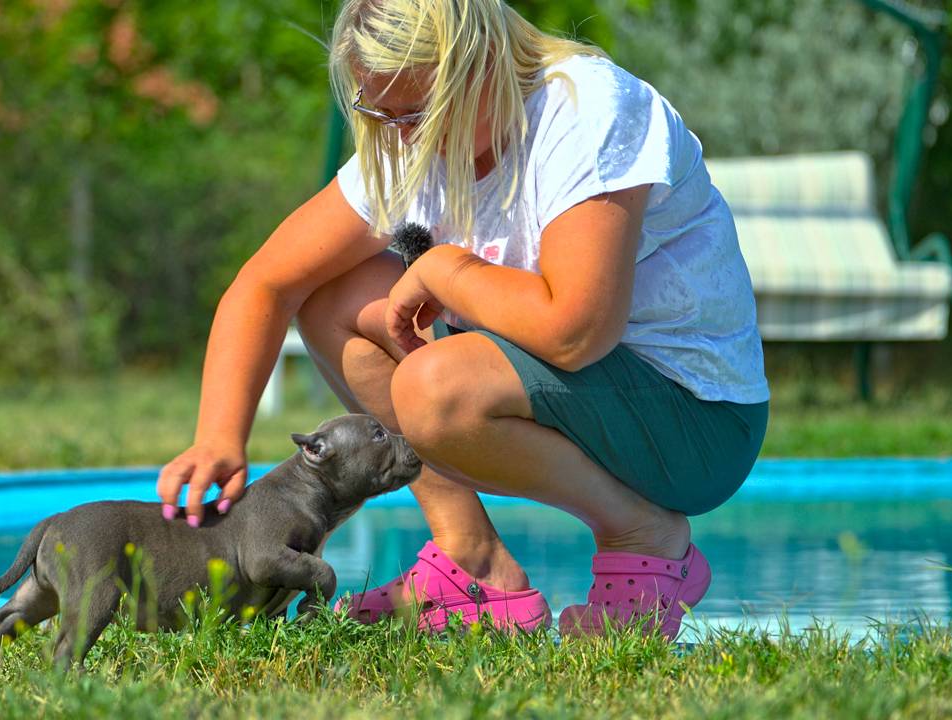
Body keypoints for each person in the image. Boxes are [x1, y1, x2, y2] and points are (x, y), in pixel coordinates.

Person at [157, 0, 769, 640]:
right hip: (584, 391)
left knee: (435, 389)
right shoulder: (404, 139)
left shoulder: (586, 109)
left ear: (481, 69)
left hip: (695, 422)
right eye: (377, 112)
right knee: (334, 300)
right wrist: (218, 437)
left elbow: (577, 330)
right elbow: (266, 282)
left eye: (418, 114)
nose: (401, 138)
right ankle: (471, 566)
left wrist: (446, 270)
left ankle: (642, 537)